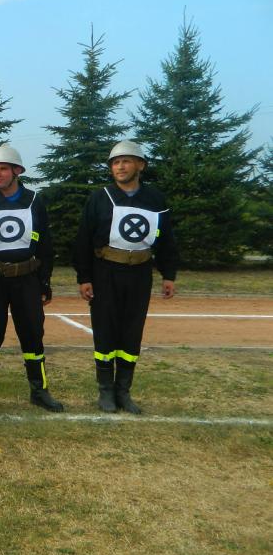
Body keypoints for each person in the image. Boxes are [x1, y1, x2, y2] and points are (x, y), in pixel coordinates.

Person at [74, 140, 178, 413]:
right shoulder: (100, 198)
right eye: (115, 163)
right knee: (105, 331)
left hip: (140, 273)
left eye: (126, 161)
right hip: (106, 272)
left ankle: (123, 391)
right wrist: (84, 277)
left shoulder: (155, 200)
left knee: (132, 331)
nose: (120, 167)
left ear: (140, 165)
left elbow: (166, 239)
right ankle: (105, 391)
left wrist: (169, 274)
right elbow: (83, 239)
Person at [0, 144, 64, 413]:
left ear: (17, 171)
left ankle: (39, 391)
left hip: (27, 279)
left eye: (3, 169)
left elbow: (45, 244)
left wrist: (44, 281)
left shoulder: (34, 201)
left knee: (33, 333)